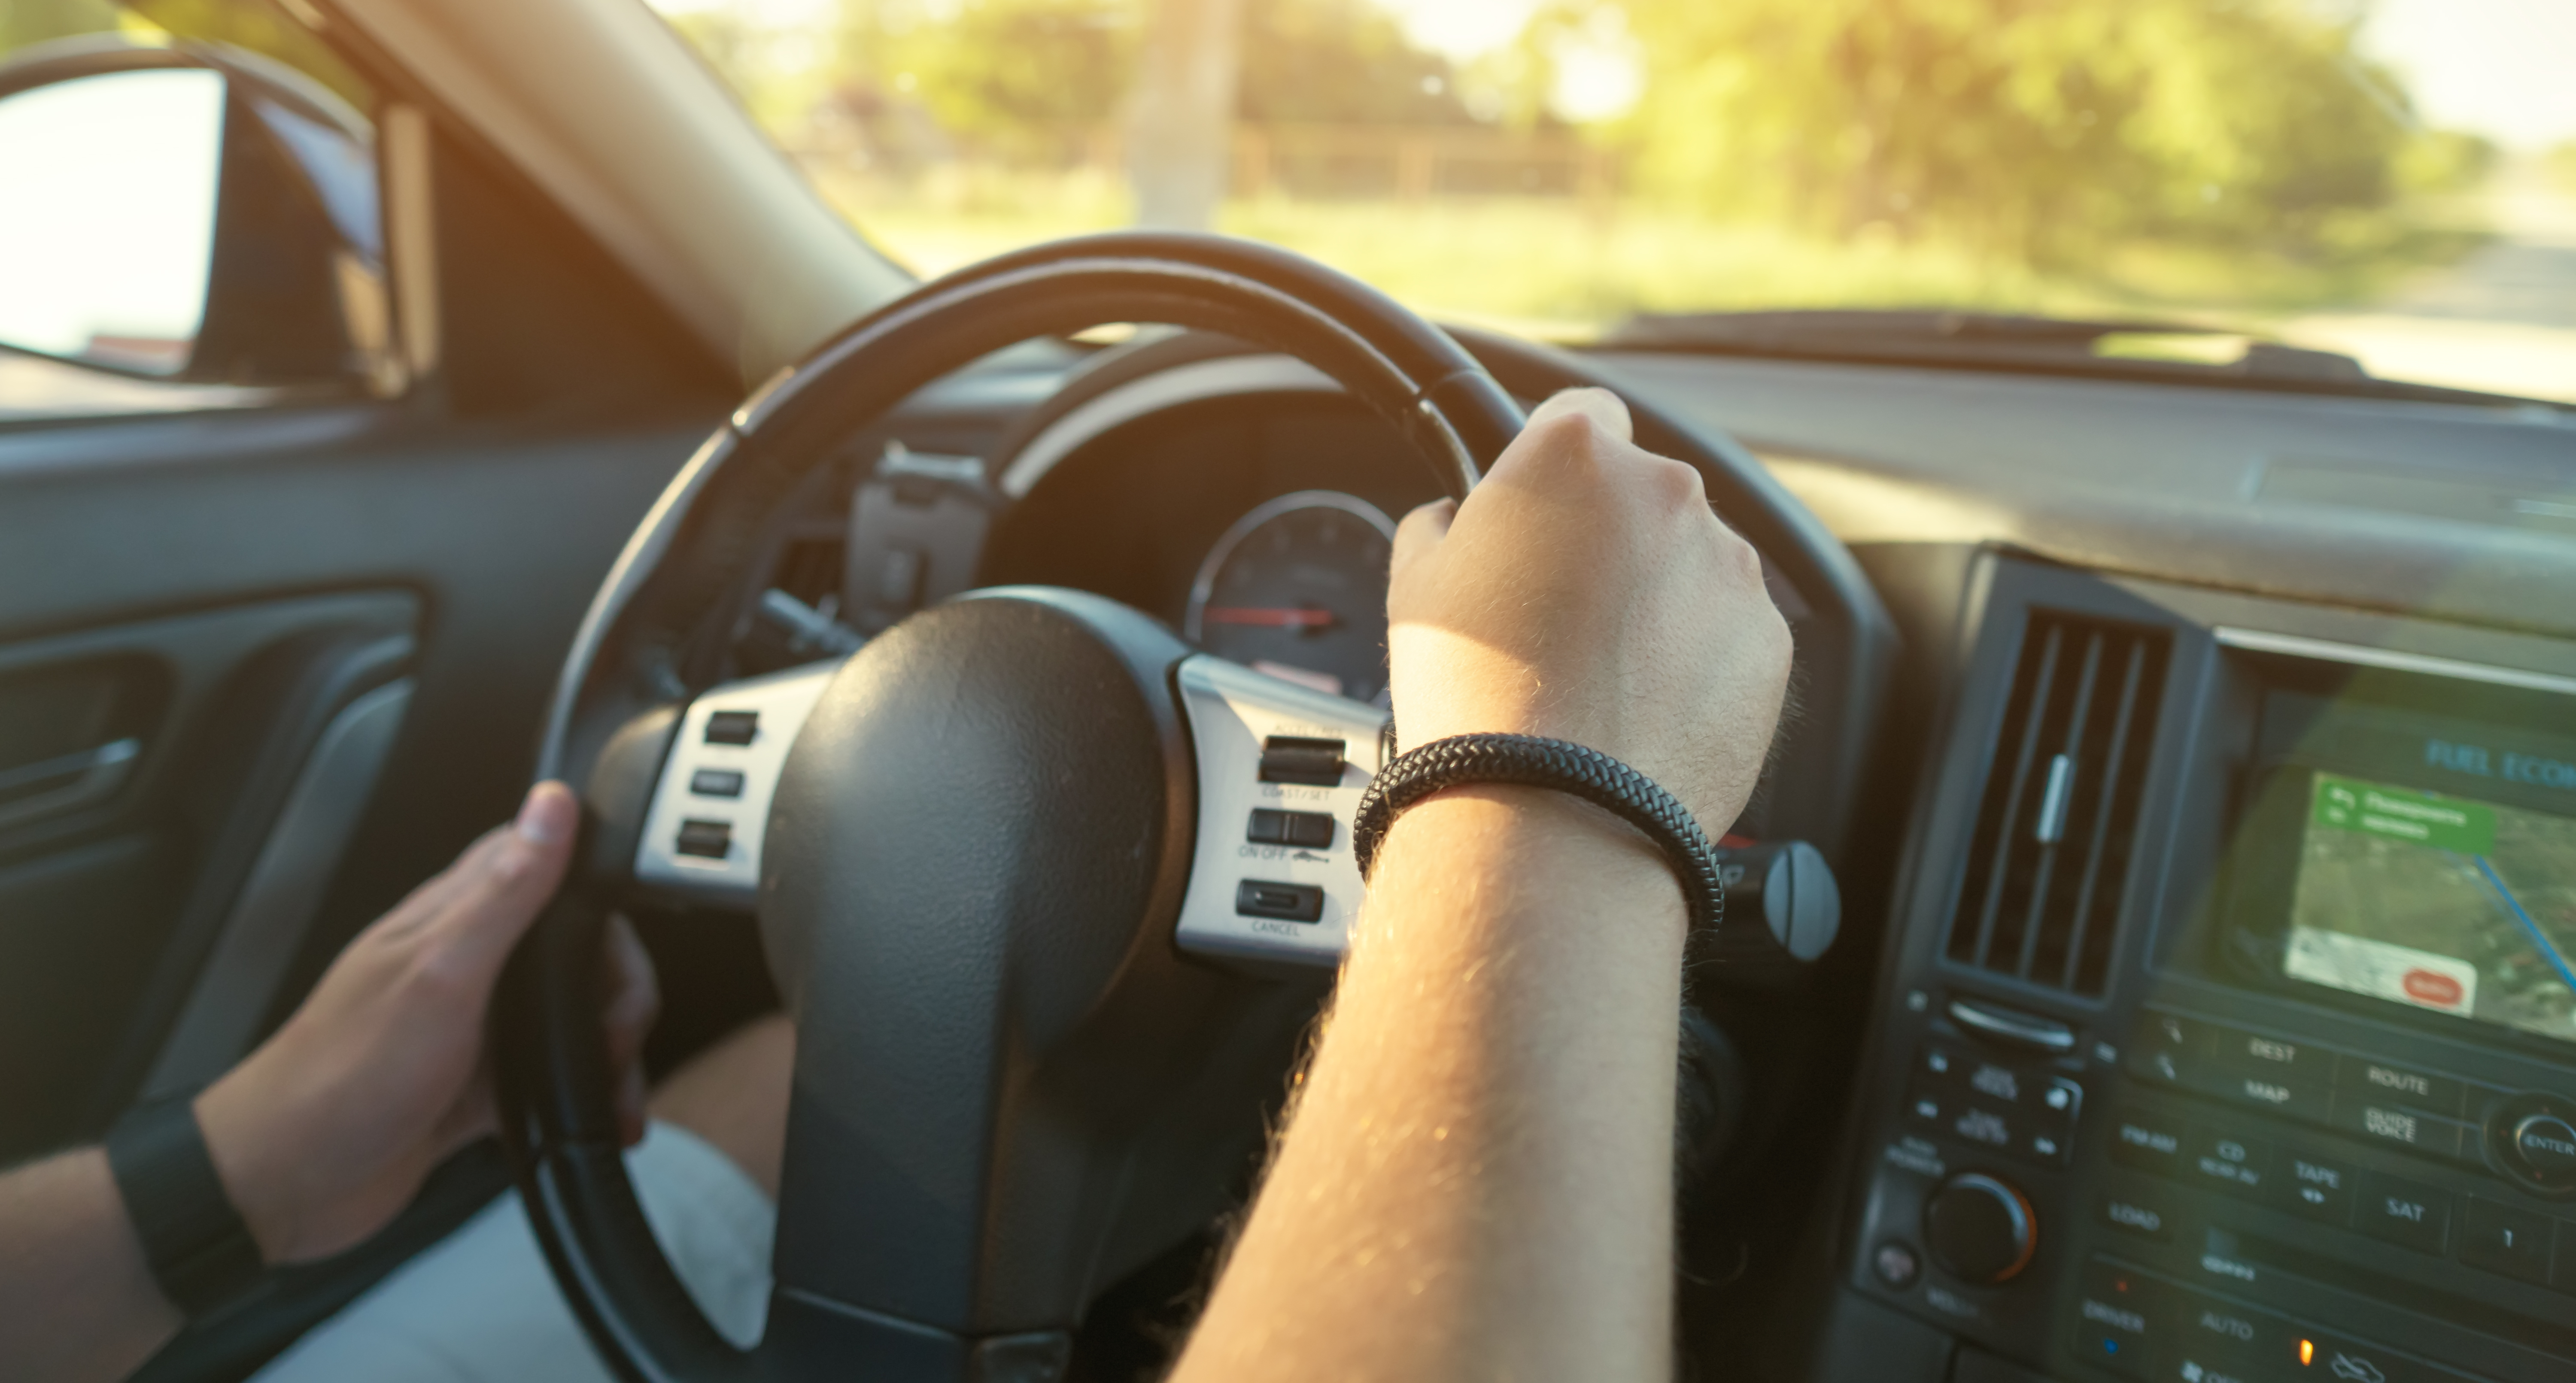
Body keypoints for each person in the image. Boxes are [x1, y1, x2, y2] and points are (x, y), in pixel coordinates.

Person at [0, 387, 1790, 1383]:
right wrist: (1544, 790)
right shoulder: (1548, 787)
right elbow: (1539, 795)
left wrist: (234, 1176)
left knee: (800, 1086)